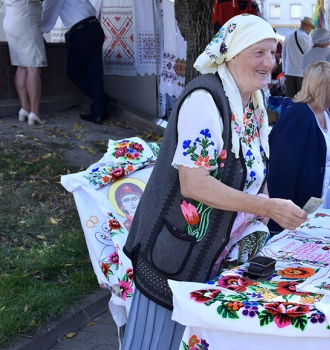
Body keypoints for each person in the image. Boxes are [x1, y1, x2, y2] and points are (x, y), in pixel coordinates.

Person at [121, 15, 308, 349]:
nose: (270, 62)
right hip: (175, 256)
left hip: (216, 252)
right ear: (232, 54)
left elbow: (254, 168)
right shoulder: (206, 100)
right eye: (259, 53)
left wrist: (261, 209)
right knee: (162, 339)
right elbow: (195, 184)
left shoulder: (255, 102)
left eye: (273, 52)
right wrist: (266, 206)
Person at [267, 62, 330, 232]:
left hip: (318, 203)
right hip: (297, 211)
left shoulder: (325, 113)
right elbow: (282, 170)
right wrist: (282, 218)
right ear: (326, 88)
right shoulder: (299, 117)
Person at [41, 0, 116, 125]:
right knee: (95, 74)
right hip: (95, 28)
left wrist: (37, 32)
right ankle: (98, 113)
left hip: (82, 32)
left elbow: (48, 15)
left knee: (74, 72)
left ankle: (105, 101)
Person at [3, 0, 47, 125]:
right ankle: (35, 111)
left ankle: (25, 108)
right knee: (33, 68)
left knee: (21, 67)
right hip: (26, 21)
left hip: (11, 19)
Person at [282, 16, 315, 97]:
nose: (310, 31)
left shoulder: (288, 36)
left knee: (289, 100)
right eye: (311, 28)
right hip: (302, 74)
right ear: (308, 26)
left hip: (289, 72)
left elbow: (284, 54)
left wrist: (285, 70)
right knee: (302, 99)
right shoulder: (307, 39)